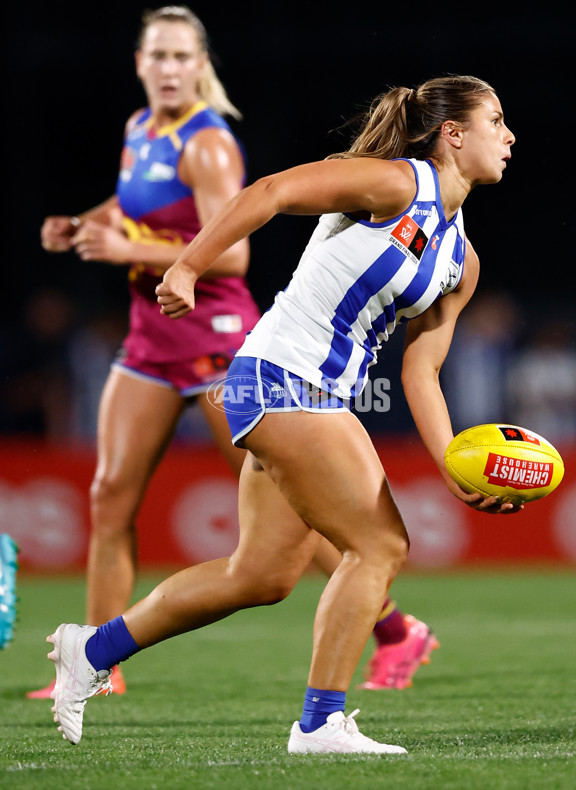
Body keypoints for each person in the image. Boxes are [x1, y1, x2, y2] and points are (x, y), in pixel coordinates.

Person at [47, 74, 519, 754]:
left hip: (303, 390)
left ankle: (90, 650)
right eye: (496, 121)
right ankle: (320, 723)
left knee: (260, 577)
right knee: (380, 544)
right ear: (453, 133)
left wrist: (455, 467)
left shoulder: (460, 259)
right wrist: (186, 265)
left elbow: (421, 372)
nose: (509, 136)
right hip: (280, 377)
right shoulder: (395, 185)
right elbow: (270, 193)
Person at [31, 5, 433, 698]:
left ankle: (394, 627)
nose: (168, 69)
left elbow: (237, 256)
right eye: (157, 56)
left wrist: (127, 249)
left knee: (293, 513)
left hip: (220, 345)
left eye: (182, 57)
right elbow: (133, 204)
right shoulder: (138, 132)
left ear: (201, 66)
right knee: (109, 496)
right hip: (152, 338)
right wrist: (85, 224)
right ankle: (98, 667)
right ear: (138, 63)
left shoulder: (208, 143)